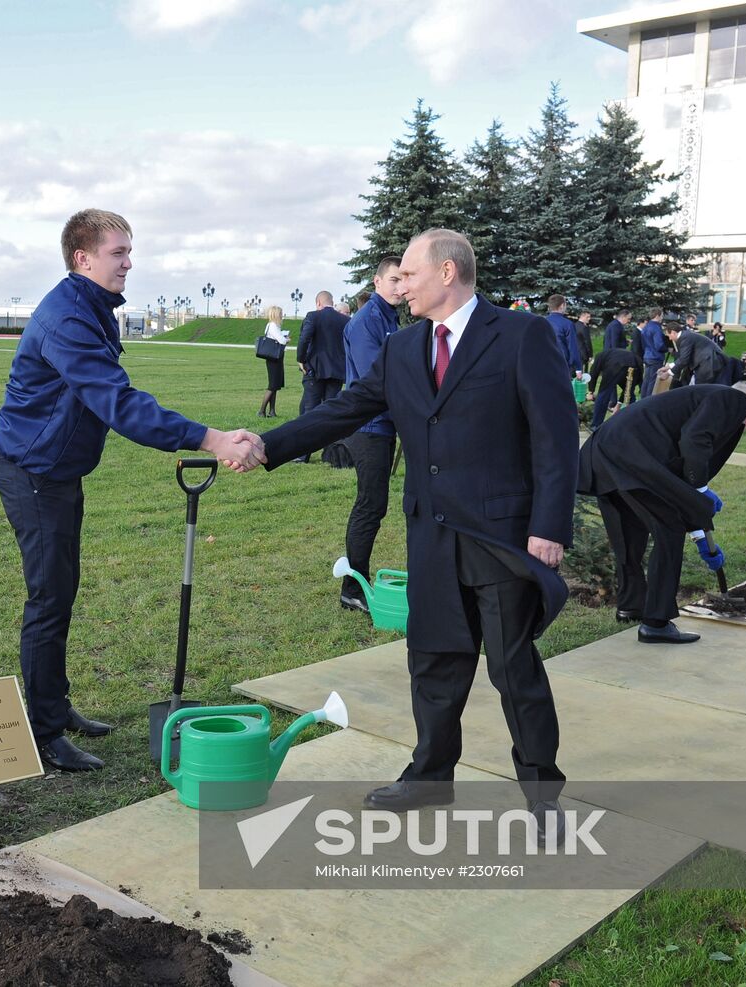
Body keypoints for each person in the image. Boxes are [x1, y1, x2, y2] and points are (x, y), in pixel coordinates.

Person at [231, 229, 578, 839]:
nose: (400, 285)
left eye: (409, 275)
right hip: (431, 533)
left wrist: (550, 526)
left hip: (501, 534)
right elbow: (344, 410)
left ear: (447, 273)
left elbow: (555, 437)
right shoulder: (403, 348)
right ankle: (429, 776)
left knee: (513, 667)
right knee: (434, 661)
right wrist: (267, 445)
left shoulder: (523, 336)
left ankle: (543, 792)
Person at [0, 208, 256, 772]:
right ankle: (42, 732)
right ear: (82, 258)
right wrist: (210, 438)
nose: (129, 263)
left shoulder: (90, 308)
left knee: (61, 589)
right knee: (48, 596)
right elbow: (118, 403)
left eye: (129, 252)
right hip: (32, 471)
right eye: (119, 253)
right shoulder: (69, 319)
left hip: (55, 471)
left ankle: (54, 706)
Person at [578, 383, 746, 644]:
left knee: (629, 531)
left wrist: (701, 535)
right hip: (632, 456)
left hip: (605, 453)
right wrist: (700, 490)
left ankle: (631, 605)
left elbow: (679, 481)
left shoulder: (698, 400)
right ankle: (655, 623)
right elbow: (695, 440)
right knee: (668, 530)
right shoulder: (734, 400)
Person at [339, 256, 403, 614]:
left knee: (374, 505)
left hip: (384, 424)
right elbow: (373, 381)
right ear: (377, 282)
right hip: (369, 426)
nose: (400, 286)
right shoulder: (367, 321)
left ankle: (355, 583)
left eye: (404, 279)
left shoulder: (389, 317)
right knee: (370, 505)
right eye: (393, 279)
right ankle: (353, 587)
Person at [294, 290, 349, 462]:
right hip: (337, 371)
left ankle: (303, 454)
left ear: (318, 302)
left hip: (315, 370)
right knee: (331, 411)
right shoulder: (345, 320)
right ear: (332, 303)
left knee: (310, 411)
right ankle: (330, 454)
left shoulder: (313, 316)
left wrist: (301, 360)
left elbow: (304, 340)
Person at [589, 342, 641, 429]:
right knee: (629, 393)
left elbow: (593, 374)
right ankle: (633, 421)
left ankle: (596, 424)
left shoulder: (599, 357)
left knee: (604, 393)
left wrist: (591, 392)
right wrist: (619, 405)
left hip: (616, 365)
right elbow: (628, 389)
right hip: (635, 362)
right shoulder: (609, 354)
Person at [665, 320, 728, 387]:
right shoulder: (686, 335)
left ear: (673, 332)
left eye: (669, 335)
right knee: (694, 385)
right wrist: (669, 366)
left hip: (709, 362)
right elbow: (683, 357)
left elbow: (684, 360)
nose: (669, 339)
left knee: (701, 389)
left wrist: (668, 373)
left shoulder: (685, 338)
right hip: (708, 362)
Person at [257, 305, 290, 418]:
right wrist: (286, 339)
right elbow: (281, 340)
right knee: (272, 385)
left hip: (276, 357)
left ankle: (272, 411)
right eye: (280, 313)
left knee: (275, 385)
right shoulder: (273, 325)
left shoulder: (273, 325)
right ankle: (261, 410)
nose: (282, 315)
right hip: (273, 358)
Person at [546, 294, 582, 378]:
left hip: (545, 363)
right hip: (562, 365)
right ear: (562, 305)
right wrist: (578, 368)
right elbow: (573, 348)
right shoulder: (568, 324)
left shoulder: (542, 322)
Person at [640, 307, 667, 399]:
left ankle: (643, 400)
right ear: (657, 316)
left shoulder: (646, 327)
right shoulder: (656, 327)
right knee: (653, 381)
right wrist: (667, 349)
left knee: (646, 380)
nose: (662, 318)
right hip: (656, 357)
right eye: (661, 316)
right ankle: (647, 401)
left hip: (647, 355)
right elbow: (659, 345)